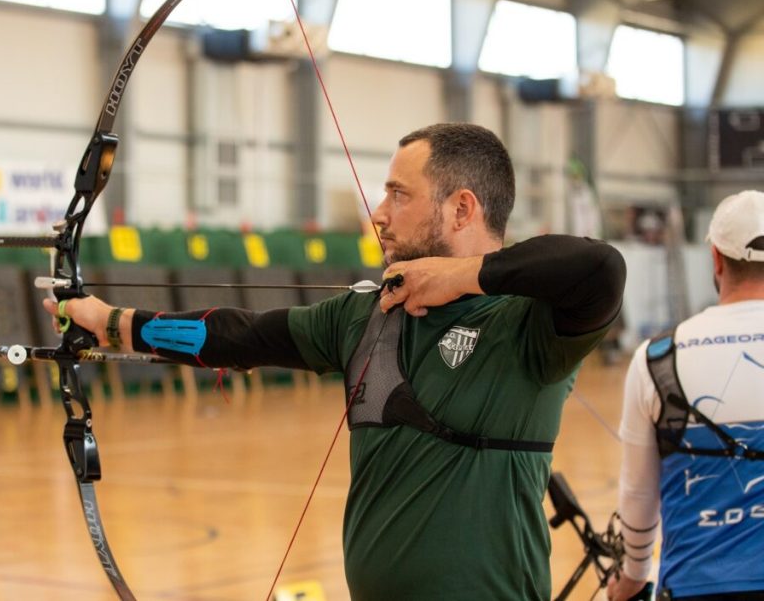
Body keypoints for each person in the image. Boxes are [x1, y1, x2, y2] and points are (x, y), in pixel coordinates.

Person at [46, 123, 626, 600]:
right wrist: (113, 323)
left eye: (399, 194)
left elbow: (600, 268)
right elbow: (238, 336)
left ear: (461, 209)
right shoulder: (366, 316)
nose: (378, 213)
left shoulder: (525, 323)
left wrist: (460, 277)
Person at [608, 190, 764, 601]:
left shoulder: (659, 357)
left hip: (696, 587)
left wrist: (632, 577)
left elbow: (638, 493)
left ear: (715, 258)